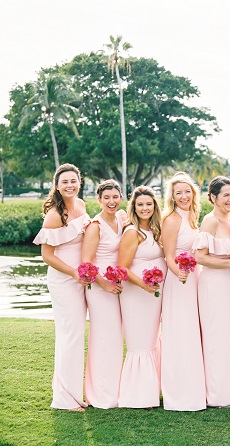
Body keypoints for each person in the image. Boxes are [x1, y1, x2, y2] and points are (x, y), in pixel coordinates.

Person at [33, 164, 90, 411]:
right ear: (56, 186)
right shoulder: (55, 215)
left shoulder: (82, 206)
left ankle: (73, 392)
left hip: (81, 278)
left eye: (73, 181)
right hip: (64, 280)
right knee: (71, 335)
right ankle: (65, 400)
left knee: (77, 336)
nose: (70, 185)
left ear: (80, 183)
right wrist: (74, 273)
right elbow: (47, 255)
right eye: (64, 181)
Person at [194, 176, 230, 408]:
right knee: (216, 336)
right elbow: (200, 257)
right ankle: (218, 394)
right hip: (213, 283)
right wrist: (229, 264)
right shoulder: (209, 221)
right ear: (213, 197)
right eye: (225, 195)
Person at [160, 172, 206, 411]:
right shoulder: (172, 219)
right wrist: (179, 272)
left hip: (194, 278)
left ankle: (195, 387)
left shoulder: (193, 217)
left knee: (192, 331)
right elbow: (168, 255)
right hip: (179, 280)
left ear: (193, 193)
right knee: (179, 332)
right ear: (173, 196)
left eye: (187, 191)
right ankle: (179, 392)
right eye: (178, 192)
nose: (184, 196)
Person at [117, 186, 165, 408]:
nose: (144, 208)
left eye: (148, 204)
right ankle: (137, 396)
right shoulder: (131, 232)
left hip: (154, 294)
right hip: (137, 294)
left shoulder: (156, 230)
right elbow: (123, 269)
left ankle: (151, 390)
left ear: (154, 206)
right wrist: (145, 285)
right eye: (140, 205)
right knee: (140, 342)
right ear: (133, 208)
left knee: (152, 340)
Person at [80, 179, 125, 409]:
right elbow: (86, 263)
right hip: (99, 288)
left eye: (115, 197)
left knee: (116, 339)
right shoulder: (95, 226)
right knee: (103, 338)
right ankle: (101, 395)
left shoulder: (122, 218)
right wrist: (104, 285)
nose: (111, 201)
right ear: (99, 200)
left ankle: (116, 389)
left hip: (118, 286)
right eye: (106, 198)